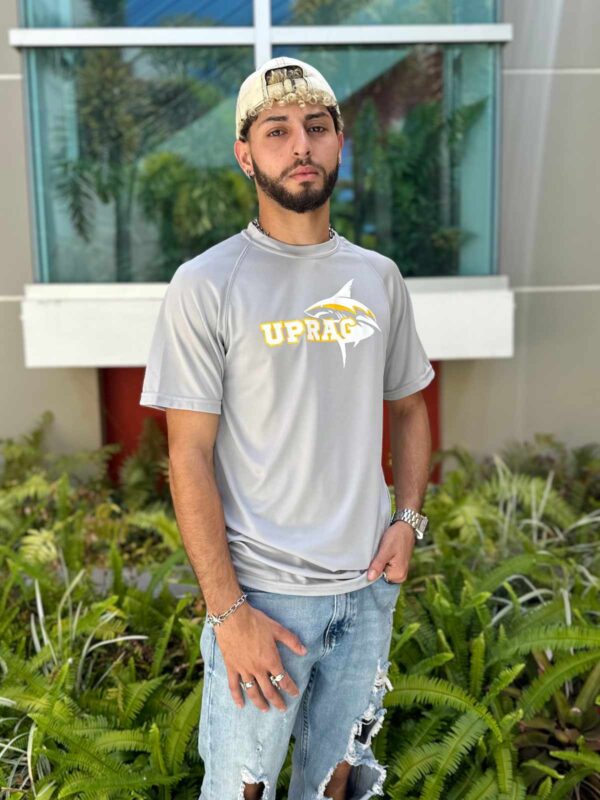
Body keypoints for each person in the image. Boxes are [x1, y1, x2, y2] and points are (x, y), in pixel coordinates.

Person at [140, 56, 435, 800]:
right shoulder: (207, 284)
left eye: (316, 127)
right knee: (243, 792)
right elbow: (189, 455)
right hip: (263, 599)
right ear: (246, 153)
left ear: (340, 143)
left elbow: (409, 407)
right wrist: (229, 613)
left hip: (365, 592)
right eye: (276, 131)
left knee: (336, 788)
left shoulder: (377, 277)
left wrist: (407, 519)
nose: (299, 144)